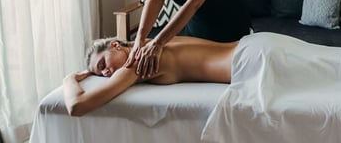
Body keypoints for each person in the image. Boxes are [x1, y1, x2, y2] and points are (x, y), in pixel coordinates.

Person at [63, 36, 237, 117]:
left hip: (244, 63)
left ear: (115, 45)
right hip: (247, 46)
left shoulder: (137, 62)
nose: (106, 73)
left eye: (103, 64)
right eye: (100, 73)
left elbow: (77, 106)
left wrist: (69, 79)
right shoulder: (151, 42)